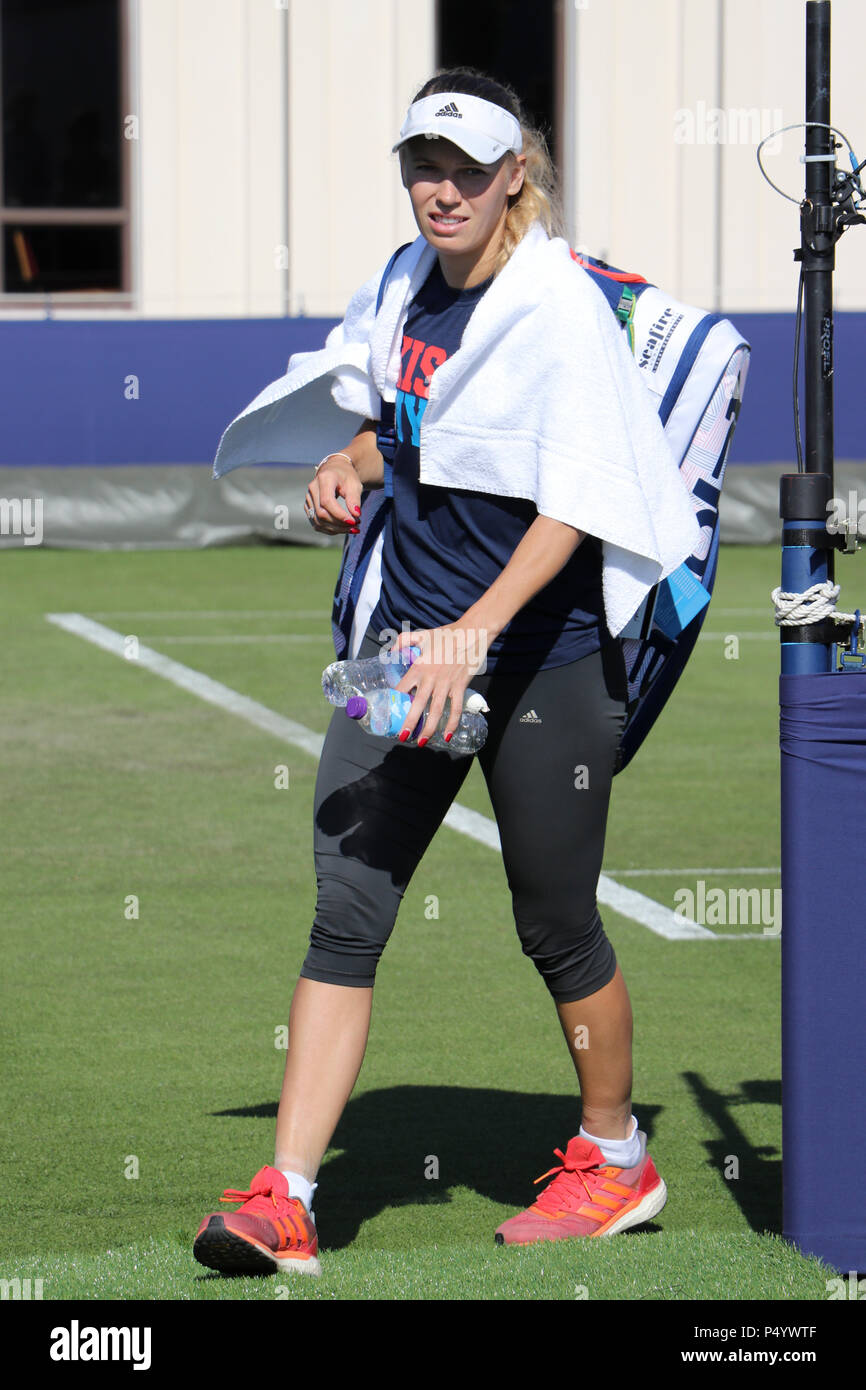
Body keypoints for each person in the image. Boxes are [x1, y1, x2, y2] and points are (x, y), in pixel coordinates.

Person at [194, 67, 698, 1278]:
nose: (442, 189)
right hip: (407, 651)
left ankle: (614, 1159)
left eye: (467, 168)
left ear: (514, 174)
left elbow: (576, 502)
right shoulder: (401, 286)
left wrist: (476, 629)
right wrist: (347, 462)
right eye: (424, 164)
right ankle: (287, 1198)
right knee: (346, 909)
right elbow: (411, 433)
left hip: (538, 659)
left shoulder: (557, 308)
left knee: (555, 922)